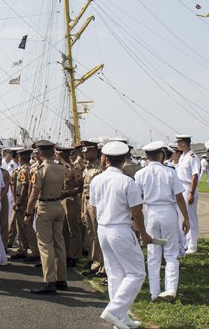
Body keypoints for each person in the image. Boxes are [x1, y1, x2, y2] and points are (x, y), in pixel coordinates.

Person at [90, 141, 152, 329]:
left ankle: (121, 319)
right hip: (120, 229)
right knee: (136, 272)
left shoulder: (96, 180)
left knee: (116, 273)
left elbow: (93, 209)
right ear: (125, 160)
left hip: (103, 229)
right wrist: (144, 234)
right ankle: (114, 311)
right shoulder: (127, 181)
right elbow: (137, 212)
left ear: (105, 159)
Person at [134, 141, 189, 302]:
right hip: (168, 212)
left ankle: (154, 292)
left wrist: (135, 218)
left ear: (147, 156)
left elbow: (138, 199)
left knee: (153, 254)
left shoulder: (140, 174)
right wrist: (186, 217)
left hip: (150, 212)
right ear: (161, 155)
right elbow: (179, 197)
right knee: (171, 253)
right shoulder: (170, 172)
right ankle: (170, 289)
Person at [25, 140, 69, 294]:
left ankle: (49, 281)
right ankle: (61, 279)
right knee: (59, 243)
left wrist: (28, 213)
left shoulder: (40, 170)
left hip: (45, 207)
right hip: (58, 205)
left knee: (45, 245)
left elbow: (33, 196)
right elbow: (76, 176)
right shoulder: (61, 168)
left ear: (41, 153)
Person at [81, 141, 106, 277]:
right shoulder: (87, 168)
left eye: (87, 151)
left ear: (95, 152)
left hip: (95, 203)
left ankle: (98, 263)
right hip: (87, 203)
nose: (84, 153)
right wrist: (82, 210)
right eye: (84, 151)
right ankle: (93, 258)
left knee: (97, 233)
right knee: (90, 233)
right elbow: (84, 191)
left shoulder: (99, 168)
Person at [8, 148, 39, 262]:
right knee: (19, 226)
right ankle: (22, 249)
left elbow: (25, 187)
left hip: (23, 201)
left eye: (20, 156)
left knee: (27, 227)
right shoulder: (20, 169)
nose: (19, 157)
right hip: (18, 200)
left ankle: (35, 251)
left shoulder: (25, 170)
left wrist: (19, 202)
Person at [174, 135, 200, 255]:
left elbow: (195, 175)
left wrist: (192, 193)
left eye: (179, 142)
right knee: (181, 217)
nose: (178, 144)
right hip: (181, 186)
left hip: (188, 187)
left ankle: (192, 244)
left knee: (190, 217)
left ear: (184, 143)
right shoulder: (182, 157)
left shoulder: (192, 157)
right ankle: (185, 242)